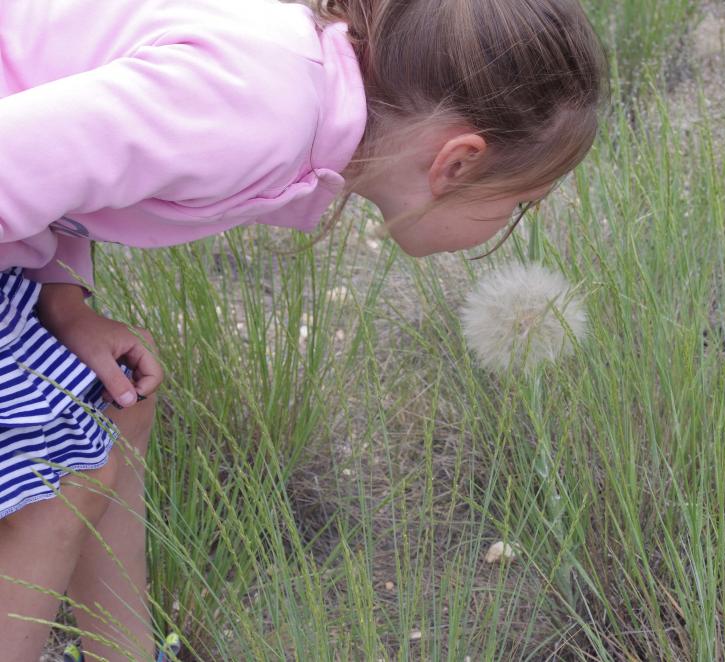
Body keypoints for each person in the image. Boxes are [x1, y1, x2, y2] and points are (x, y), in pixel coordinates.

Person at [0, 0, 607, 659]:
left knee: (116, 405)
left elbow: (56, 165)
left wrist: (62, 301)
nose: (508, 225)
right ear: (457, 162)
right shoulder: (252, 110)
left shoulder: (290, 99)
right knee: (56, 476)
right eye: (517, 205)